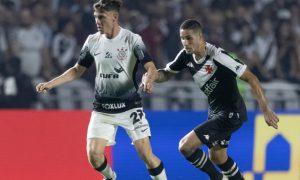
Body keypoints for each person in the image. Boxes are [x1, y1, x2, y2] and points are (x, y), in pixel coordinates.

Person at [36, 1, 167, 180]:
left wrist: (149, 78)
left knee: (147, 156)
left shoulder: (132, 39)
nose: (97, 21)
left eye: (101, 17)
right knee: (94, 156)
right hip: (103, 109)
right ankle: (110, 177)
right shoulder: (92, 41)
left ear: (114, 17)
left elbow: (151, 67)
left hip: (130, 107)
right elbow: (76, 70)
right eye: (95, 17)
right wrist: (51, 83)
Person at [142, 19, 279, 180]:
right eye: (182, 38)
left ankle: (216, 178)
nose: (185, 42)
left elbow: (252, 78)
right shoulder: (186, 56)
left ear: (200, 37)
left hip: (231, 112)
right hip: (215, 112)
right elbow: (166, 73)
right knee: (218, 157)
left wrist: (266, 109)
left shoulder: (218, 56)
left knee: (185, 146)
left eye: (189, 38)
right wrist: (151, 76)